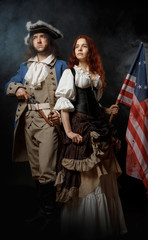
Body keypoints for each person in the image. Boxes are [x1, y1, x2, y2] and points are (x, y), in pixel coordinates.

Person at [54, 35, 127, 239]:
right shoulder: (70, 72)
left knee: (102, 177)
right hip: (80, 127)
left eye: (84, 46)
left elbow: (93, 105)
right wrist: (68, 132)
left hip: (97, 126)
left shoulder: (94, 75)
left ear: (90, 51)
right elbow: (65, 105)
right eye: (77, 46)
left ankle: (101, 226)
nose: (79, 49)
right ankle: (85, 227)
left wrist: (106, 110)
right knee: (86, 177)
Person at [5, 20, 67, 227]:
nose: (39, 40)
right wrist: (18, 89)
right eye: (35, 38)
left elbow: (70, 95)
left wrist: (60, 114)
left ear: (49, 41)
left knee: (47, 169)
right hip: (27, 122)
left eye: (43, 37)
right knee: (36, 170)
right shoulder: (25, 66)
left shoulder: (60, 65)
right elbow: (9, 83)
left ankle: (52, 216)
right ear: (32, 42)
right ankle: (44, 211)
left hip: (49, 122)